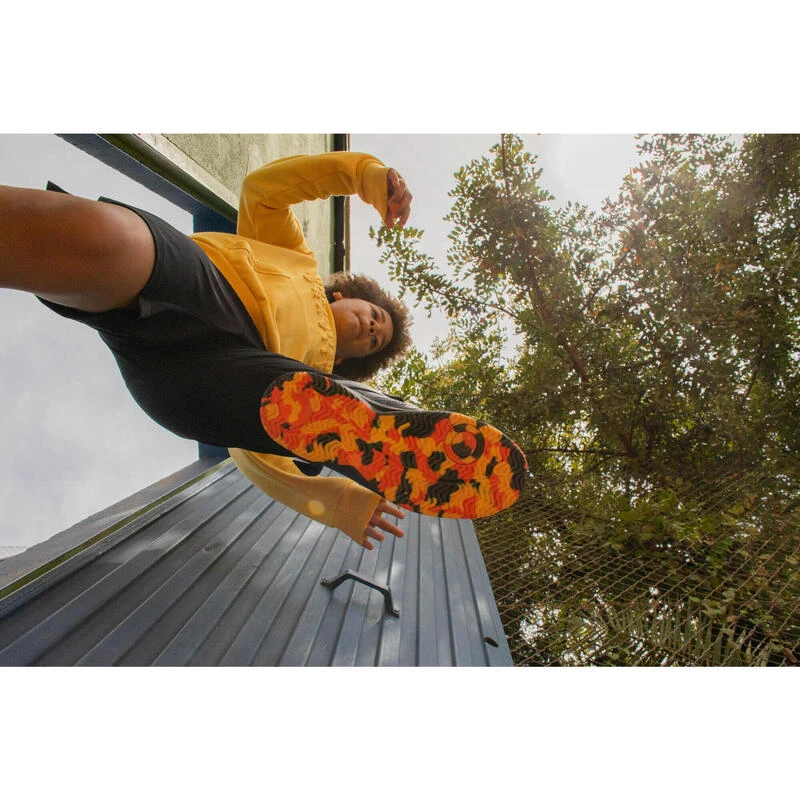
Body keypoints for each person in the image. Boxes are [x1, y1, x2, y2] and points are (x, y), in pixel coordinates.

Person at [0, 151, 526, 551]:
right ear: (343, 295)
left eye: (375, 340)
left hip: (214, 384)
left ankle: (378, 426)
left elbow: (258, 464)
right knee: (114, 242)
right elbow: (264, 191)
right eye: (374, 316)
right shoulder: (295, 258)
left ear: (353, 361)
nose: (371, 328)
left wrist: (337, 503)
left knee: (289, 409)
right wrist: (364, 176)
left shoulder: (313, 386)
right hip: (206, 288)